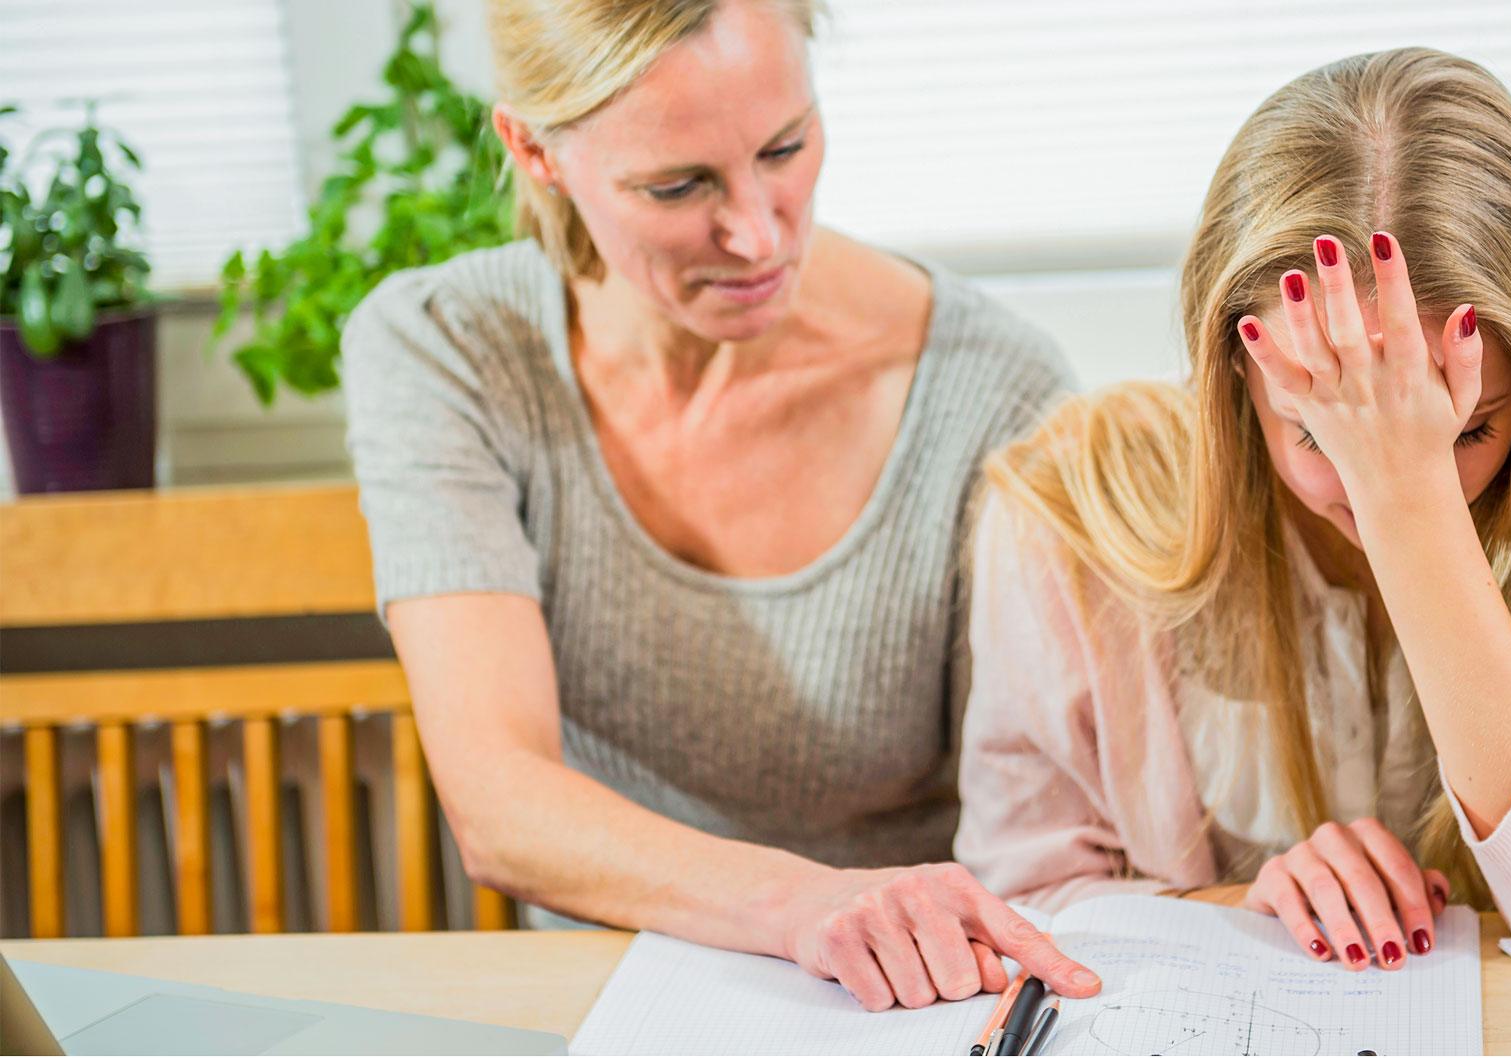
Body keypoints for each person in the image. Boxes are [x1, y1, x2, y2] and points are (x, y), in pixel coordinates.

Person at [340, 0, 1099, 1010]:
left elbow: (1039, 829)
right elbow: (497, 800)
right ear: (532, 149)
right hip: (605, 1002)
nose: (754, 233)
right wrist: (803, 907)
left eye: (784, 147)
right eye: (676, 183)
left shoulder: (993, 386)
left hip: (918, 1003)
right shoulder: (448, 349)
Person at [955, 47, 1511, 970]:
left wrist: (1418, 516)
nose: (1378, 485)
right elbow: (1017, 907)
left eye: (1467, 430)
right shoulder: (1065, 517)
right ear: (1231, 372)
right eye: (1320, 433)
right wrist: (1243, 902)